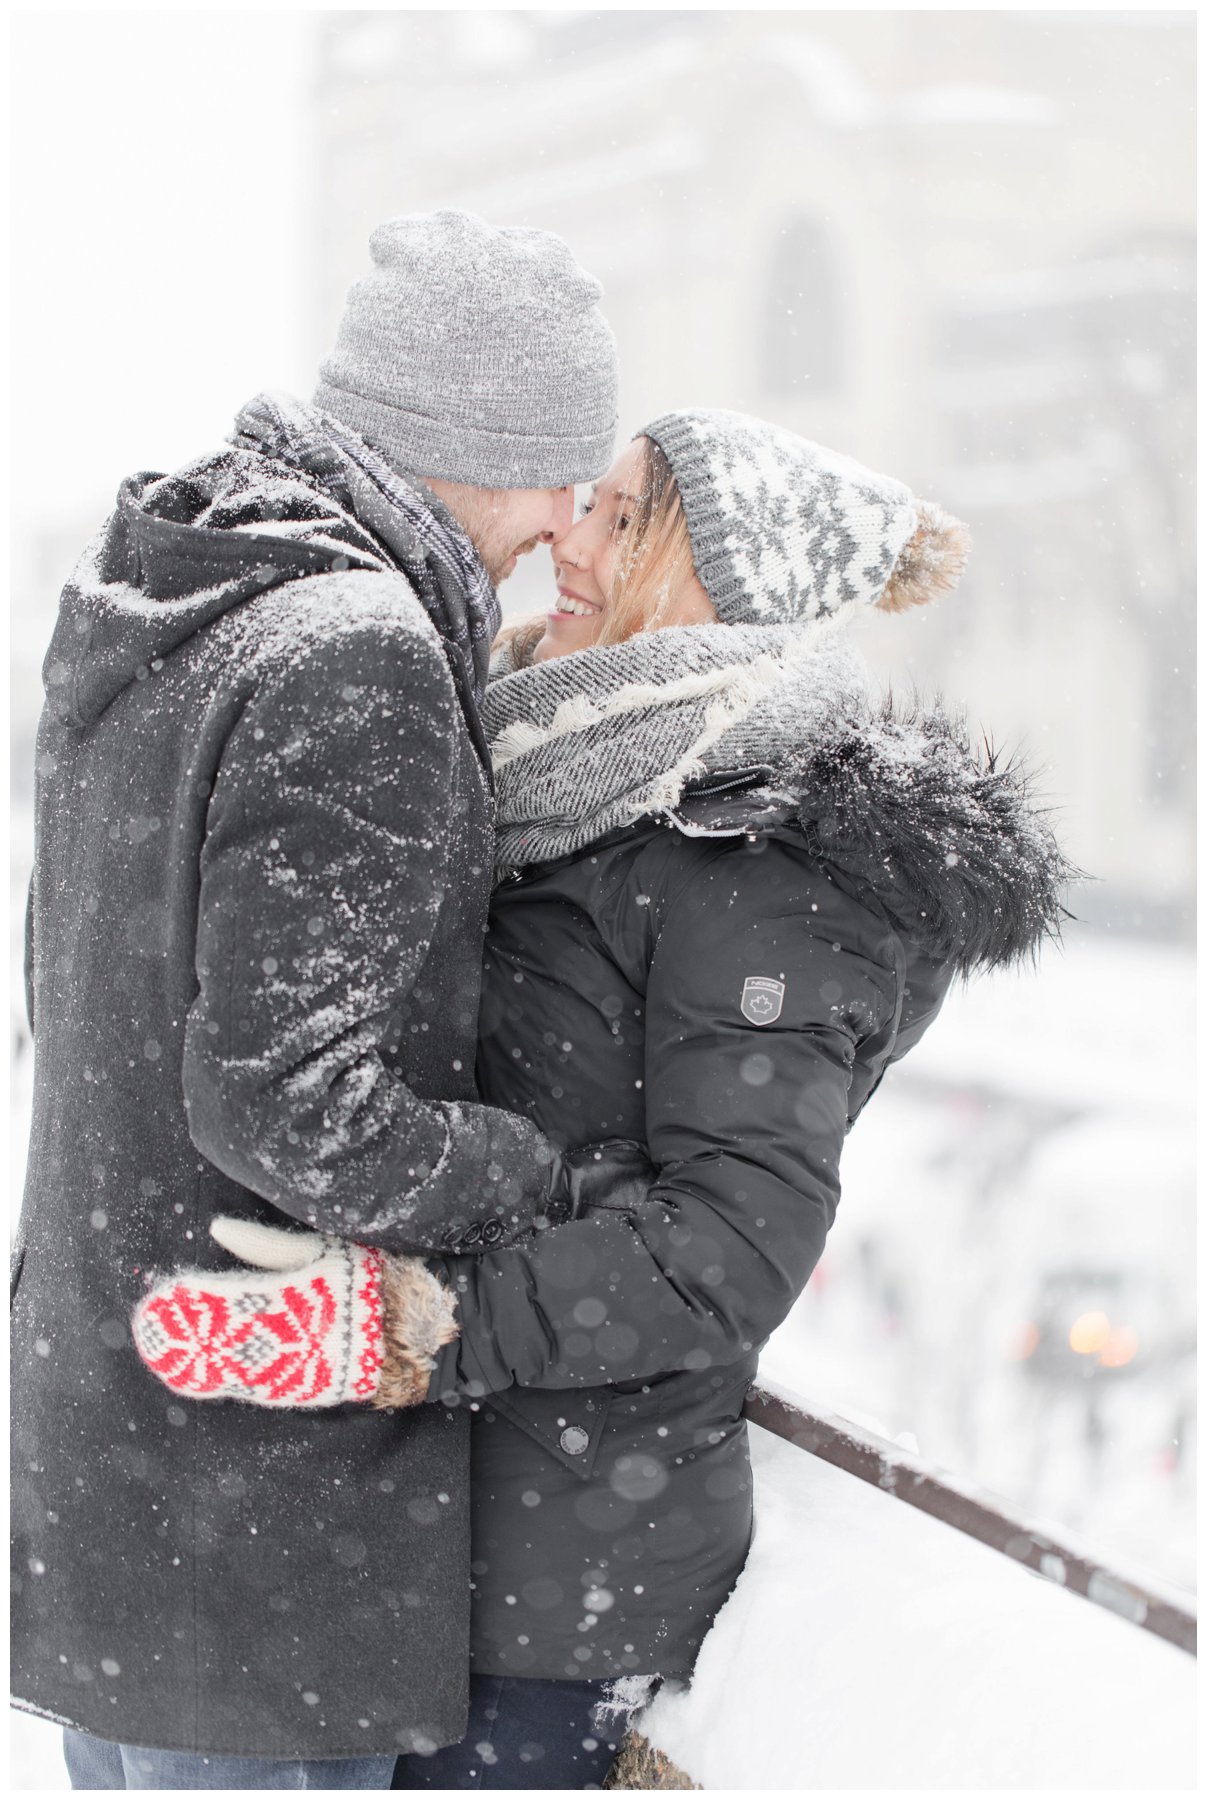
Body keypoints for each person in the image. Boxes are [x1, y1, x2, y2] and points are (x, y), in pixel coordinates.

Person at [135, 409, 1073, 1788]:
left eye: (625, 517)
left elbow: (729, 1247)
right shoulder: (584, 796)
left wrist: (407, 1325)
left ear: (725, 587)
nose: (569, 534)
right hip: (451, 1550)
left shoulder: (764, 874)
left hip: (562, 1592)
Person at [11, 208, 656, 1790]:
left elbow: (65, 986)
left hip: (128, 1453)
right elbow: (286, 1100)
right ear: (477, 443)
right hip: (253, 1496)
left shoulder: (188, 597)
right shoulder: (352, 654)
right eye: (564, 473)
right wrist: (540, 1176)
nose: (567, 524)